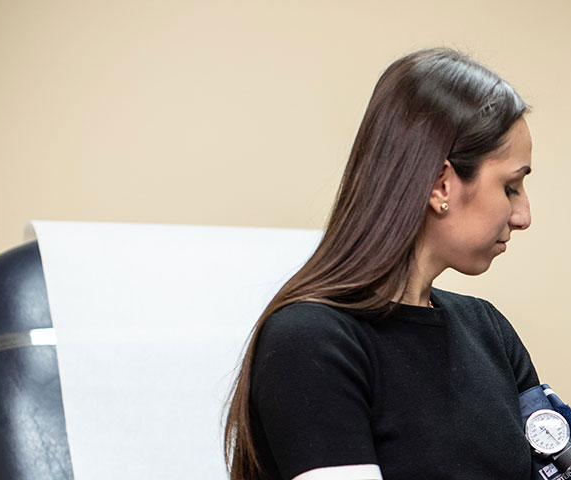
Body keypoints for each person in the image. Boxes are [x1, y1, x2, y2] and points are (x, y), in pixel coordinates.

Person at [223, 48, 538, 480]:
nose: (523, 216)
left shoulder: (489, 332)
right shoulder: (312, 344)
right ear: (440, 184)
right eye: (511, 186)